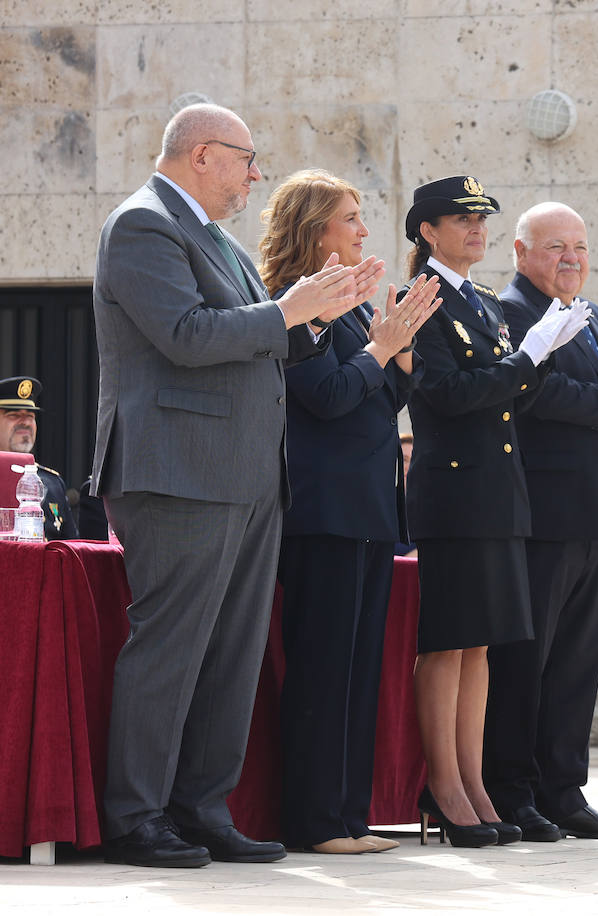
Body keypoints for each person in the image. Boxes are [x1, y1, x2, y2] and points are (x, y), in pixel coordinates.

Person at [92, 103, 381, 868]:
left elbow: (266, 339)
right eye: (248, 161)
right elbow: (185, 336)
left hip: (249, 475)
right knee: (173, 648)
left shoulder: (217, 239)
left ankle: (202, 807)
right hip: (181, 471)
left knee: (232, 654)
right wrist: (290, 309)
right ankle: (138, 815)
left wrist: (322, 314)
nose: (257, 176)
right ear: (202, 155)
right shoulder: (143, 225)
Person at [402, 176, 588, 849]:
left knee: (479, 645)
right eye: (461, 219)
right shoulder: (417, 299)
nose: (477, 230)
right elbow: (449, 394)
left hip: (495, 491)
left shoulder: (479, 303)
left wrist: (531, 356)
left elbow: (505, 390)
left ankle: (473, 783)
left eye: (482, 219)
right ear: (427, 230)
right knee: (447, 643)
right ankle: (444, 786)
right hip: (454, 493)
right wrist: (531, 355)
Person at [259, 169, 442, 854]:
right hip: (322, 514)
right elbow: (328, 396)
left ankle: (349, 817)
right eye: (351, 217)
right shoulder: (295, 303)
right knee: (323, 672)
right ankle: (314, 822)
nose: (365, 230)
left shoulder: (353, 306)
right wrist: (380, 347)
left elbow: (378, 399)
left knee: (359, 673)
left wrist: (399, 347)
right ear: (315, 230)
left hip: (365, 510)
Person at [485, 202, 598, 841]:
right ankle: (513, 792)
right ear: (521, 252)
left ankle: (564, 789)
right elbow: (533, 393)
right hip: (537, 517)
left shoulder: (596, 316)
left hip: (593, 518)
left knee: (575, 665)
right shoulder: (506, 313)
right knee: (527, 662)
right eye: (554, 247)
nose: (570, 258)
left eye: (579, 245)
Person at [0, 376, 76, 539]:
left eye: (31, 416)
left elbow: (71, 548)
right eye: (14, 415)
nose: (26, 422)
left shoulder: (52, 482)